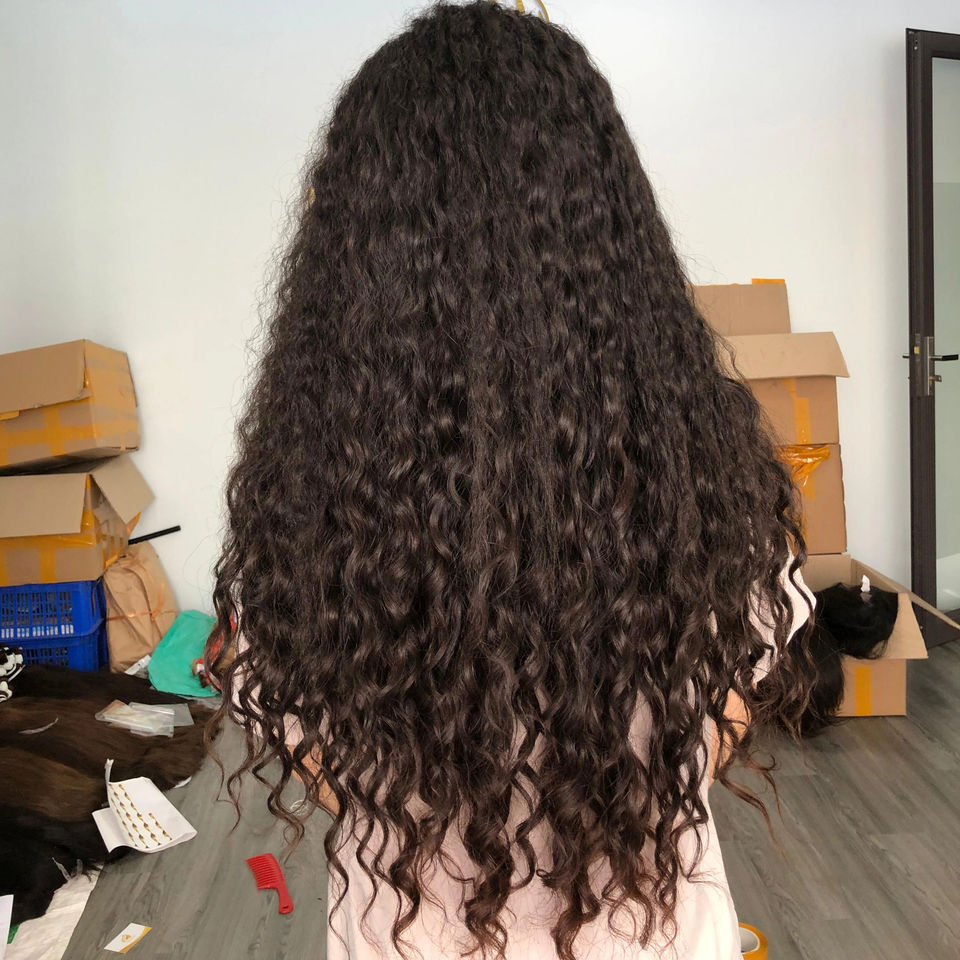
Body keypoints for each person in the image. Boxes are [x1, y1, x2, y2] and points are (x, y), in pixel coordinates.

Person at [211, 3, 815, 958]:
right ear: (611, 224)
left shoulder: (310, 507)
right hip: (645, 931)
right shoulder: (706, 490)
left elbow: (316, 755)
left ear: (353, 258)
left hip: (407, 934)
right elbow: (723, 711)